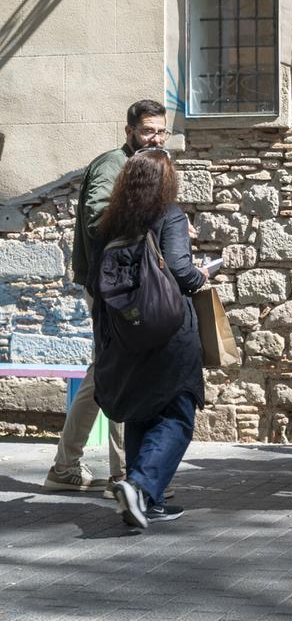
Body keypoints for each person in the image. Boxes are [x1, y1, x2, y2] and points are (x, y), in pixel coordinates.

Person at [44, 99, 170, 494]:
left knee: (104, 373)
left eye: (161, 131)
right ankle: (125, 472)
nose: (156, 138)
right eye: (148, 131)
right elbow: (99, 218)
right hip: (112, 287)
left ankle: (68, 467)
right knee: (120, 371)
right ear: (129, 130)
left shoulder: (143, 164)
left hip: (122, 284)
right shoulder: (112, 165)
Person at [92, 148, 212, 528]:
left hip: (128, 331)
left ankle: (149, 501)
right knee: (179, 413)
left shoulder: (111, 223)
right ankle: (140, 485)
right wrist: (201, 277)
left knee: (143, 410)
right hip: (170, 329)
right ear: (167, 183)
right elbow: (178, 269)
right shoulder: (170, 215)